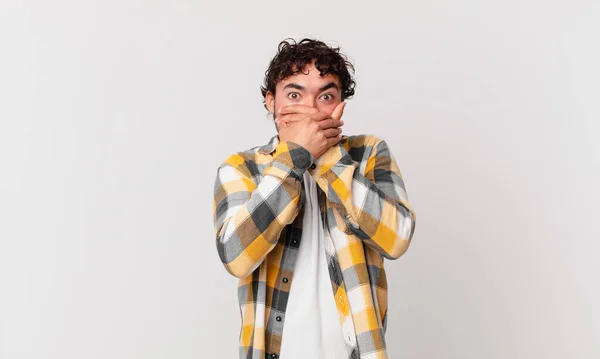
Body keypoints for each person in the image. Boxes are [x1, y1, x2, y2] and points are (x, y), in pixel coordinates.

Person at [212, 38, 416, 359]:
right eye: (295, 95)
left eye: (325, 96)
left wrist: (329, 160)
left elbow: (397, 239)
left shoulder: (368, 154)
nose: (310, 110)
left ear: (340, 104)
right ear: (270, 102)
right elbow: (236, 257)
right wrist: (294, 157)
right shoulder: (242, 168)